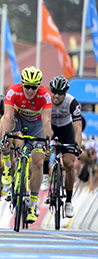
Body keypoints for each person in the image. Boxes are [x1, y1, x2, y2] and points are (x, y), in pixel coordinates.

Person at [0, 66, 52, 224]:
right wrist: (4, 138)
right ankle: (7, 166)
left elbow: (47, 120)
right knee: (4, 126)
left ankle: (32, 205)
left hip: (37, 127)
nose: (30, 90)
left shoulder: (45, 95)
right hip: (18, 121)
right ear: (22, 84)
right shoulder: (13, 92)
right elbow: (7, 116)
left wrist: (47, 141)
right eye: (27, 86)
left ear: (39, 86)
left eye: (34, 87)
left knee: (38, 162)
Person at [48, 76, 82, 218]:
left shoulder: (72, 102)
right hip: (50, 127)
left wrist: (77, 146)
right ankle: (45, 175)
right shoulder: (46, 100)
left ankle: (68, 202)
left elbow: (78, 128)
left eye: (60, 93)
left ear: (65, 93)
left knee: (69, 165)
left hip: (66, 130)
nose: (56, 96)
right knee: (43, 150)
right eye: (54, 92)